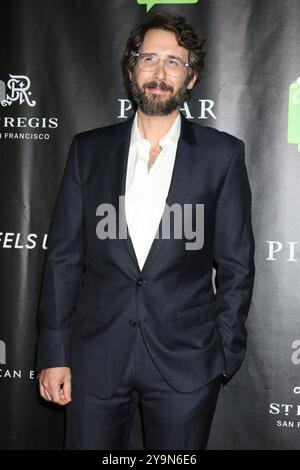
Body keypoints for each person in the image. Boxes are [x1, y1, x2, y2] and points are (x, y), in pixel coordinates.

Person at [37, 13, 255, 450]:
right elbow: (63, 259)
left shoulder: (222, 156)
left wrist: (222, 354)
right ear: (132, 68)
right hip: (94, 359)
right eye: (149, 59)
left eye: (174, 62)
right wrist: (55, 354)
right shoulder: (88, 150)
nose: (159, 72)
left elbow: (236, 266)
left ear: (191, 78)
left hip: (187, 365)